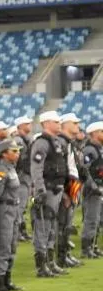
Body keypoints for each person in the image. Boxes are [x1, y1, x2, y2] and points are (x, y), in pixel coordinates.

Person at [30, 111, 68, 278]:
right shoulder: (42, 143)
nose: (59, 124)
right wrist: (39, 189)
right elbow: (36, 168)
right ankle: (41, 265)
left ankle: (50, 262)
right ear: (46, 123)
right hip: (48, 189)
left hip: (57, 190)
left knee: (52, 227)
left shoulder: (56, 142)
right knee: (43, 227)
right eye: (56, 121)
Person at [0, 139, 23, 291]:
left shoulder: (12, 168)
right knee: (4, 247)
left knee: (12, 246)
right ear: (4, 154)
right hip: (4, 209)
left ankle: (7, 280)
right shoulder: (2, 171)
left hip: (14, 209)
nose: (18, 153)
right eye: (14, 151)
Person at [58, 113, 83, 269]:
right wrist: (65, 190)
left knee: (68, 223)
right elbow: (62, 168)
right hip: (66, 185)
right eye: (74, 123)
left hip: (72, 184)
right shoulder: (61, 142)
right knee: (62, 223)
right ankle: (61, 256)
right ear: (65, 125)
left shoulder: (69, 142)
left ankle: (65, 254)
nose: (77, 125)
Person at [81, 121, 103, 258]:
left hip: (99, 187)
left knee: (98, 218)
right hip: (92, 189)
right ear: (94, 133)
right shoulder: (90, 149)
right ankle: (86, 249)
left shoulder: (98, 148)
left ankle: (93, 246)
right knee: (91, 218)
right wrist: (93, 186)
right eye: (101, 131)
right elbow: (85, 170)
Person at [13, 116, 35, 241]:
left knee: (23, 205)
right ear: (20, 126)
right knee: (19, 206)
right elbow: (18, 160)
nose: (30, 125)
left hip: (26, 176)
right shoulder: (18, 140)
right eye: (27, 123)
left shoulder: (26, 139)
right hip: (20, 176)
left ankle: (21, 230)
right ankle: (17, 232)